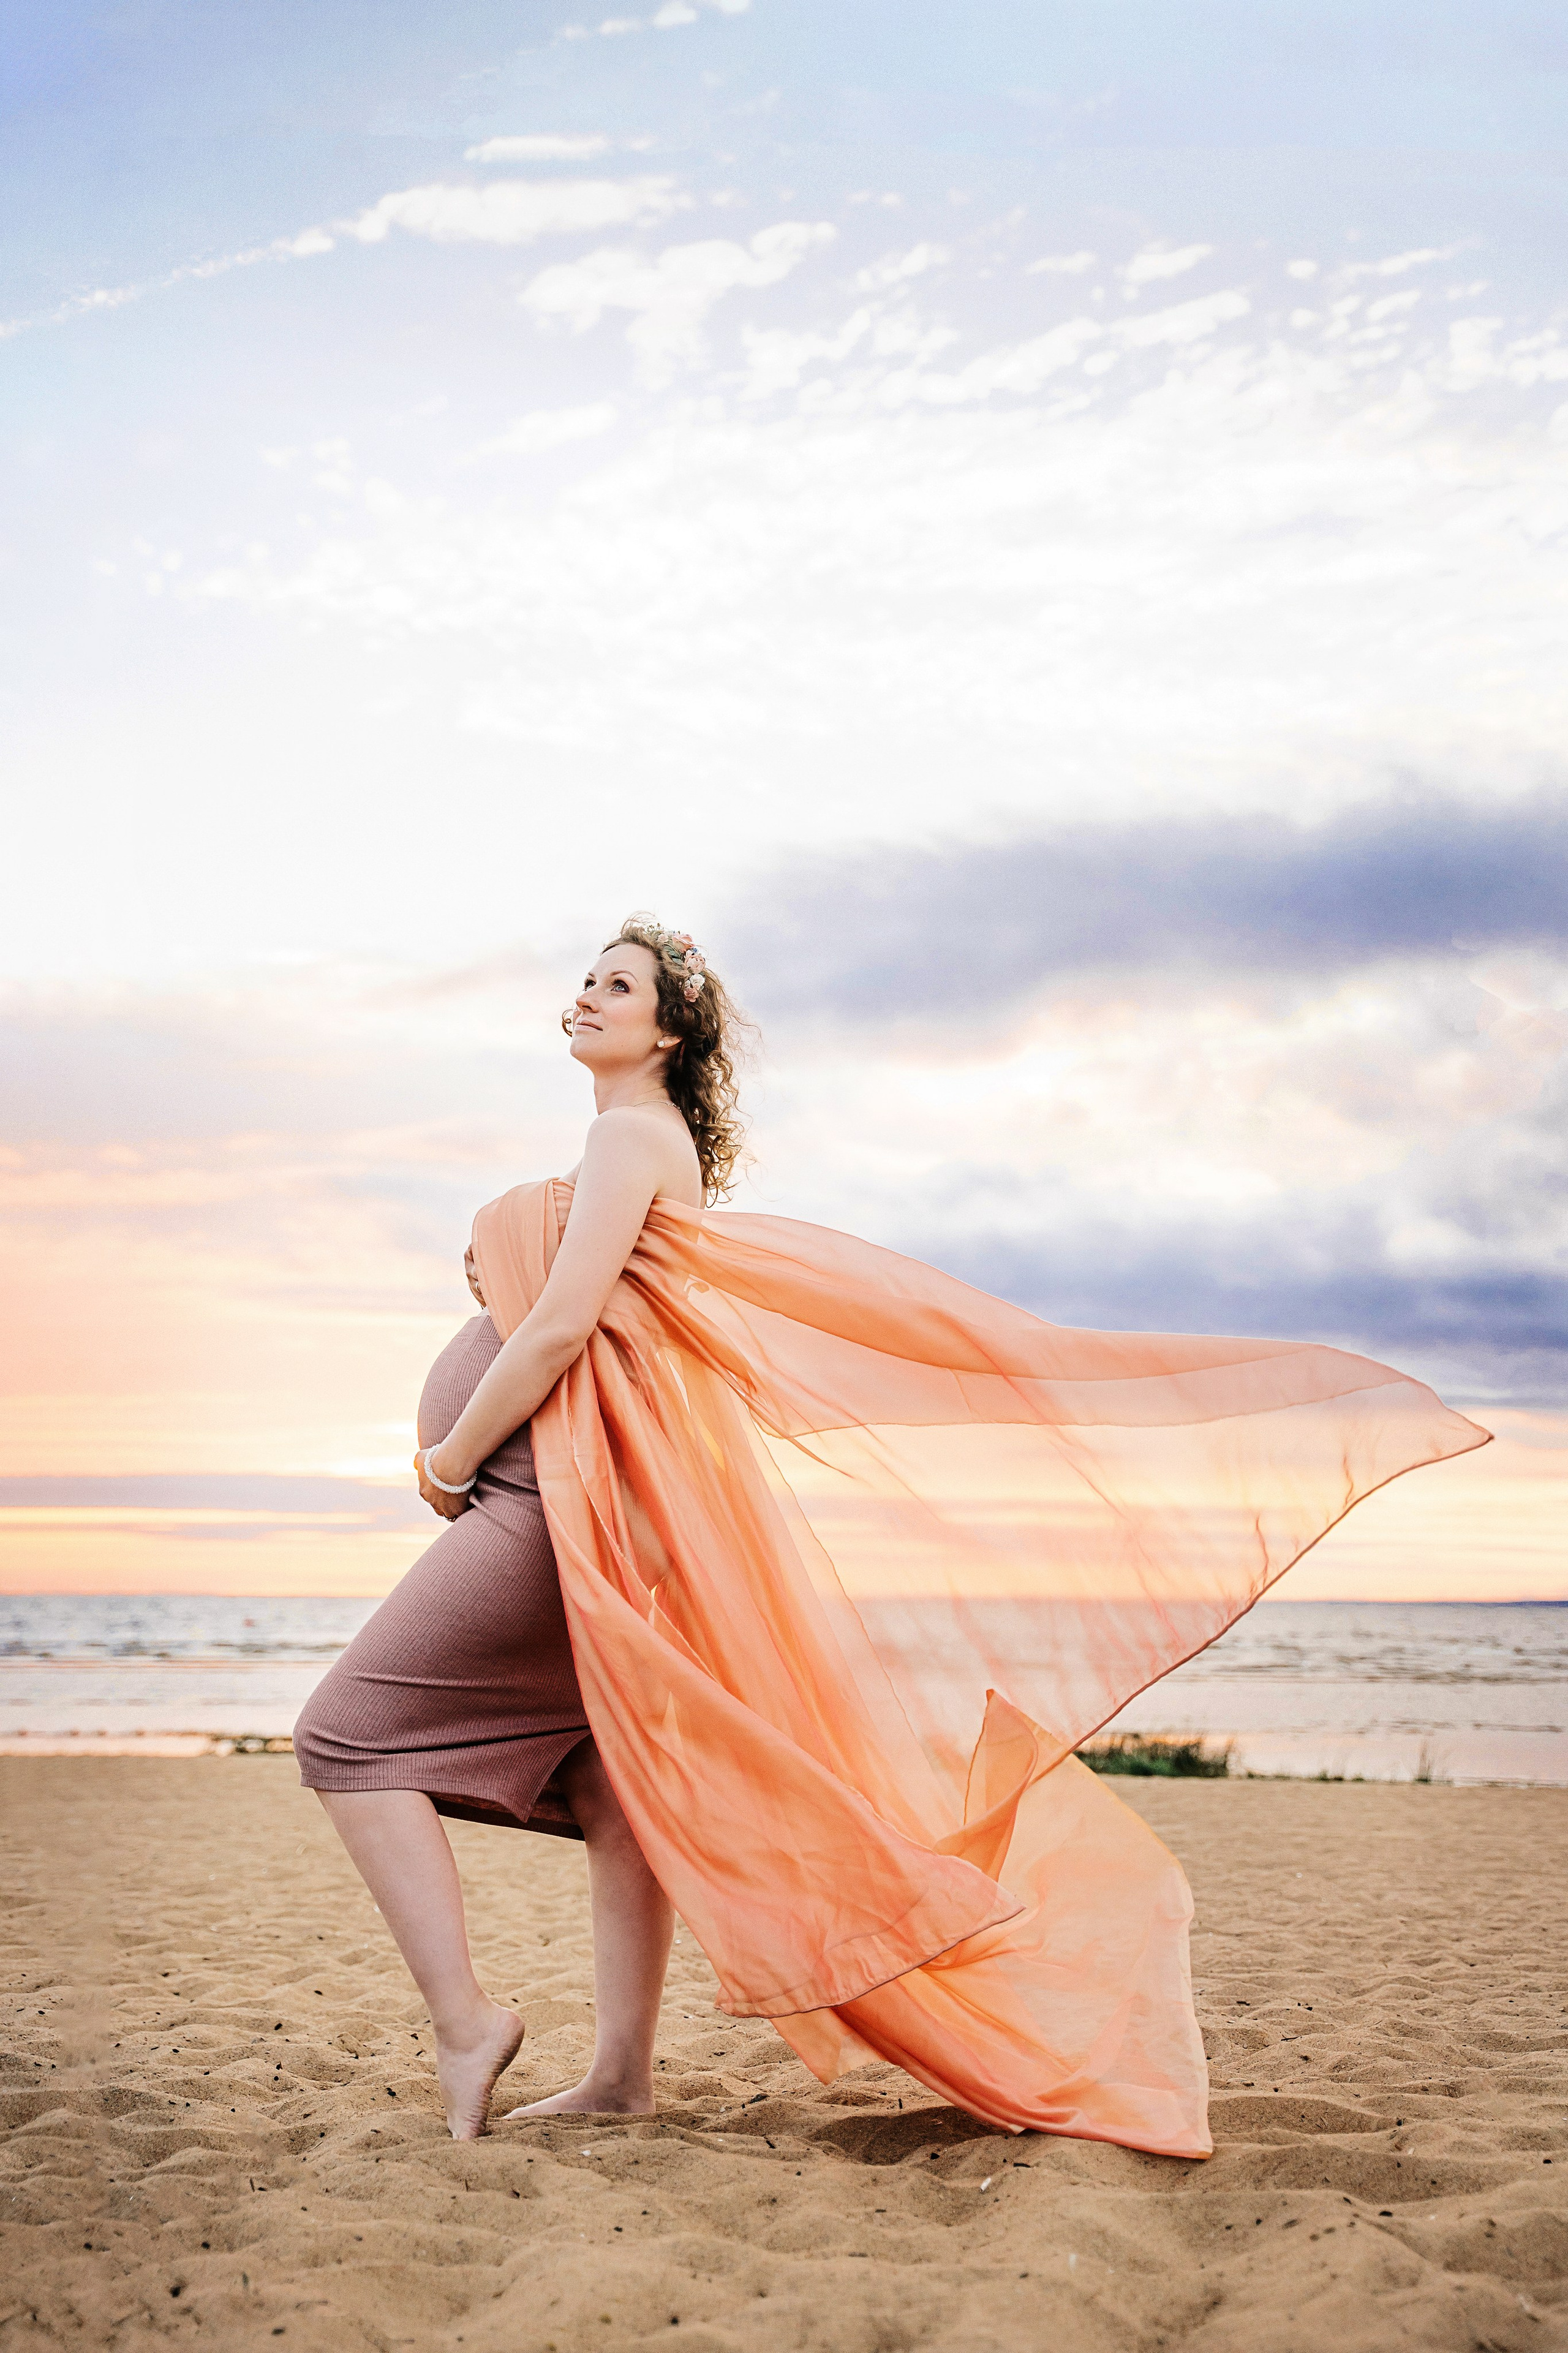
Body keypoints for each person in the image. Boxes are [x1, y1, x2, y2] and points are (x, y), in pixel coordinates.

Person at [296, 913, 1488, 2153]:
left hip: (541, 1508)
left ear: (669, 1030)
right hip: (567, 1501)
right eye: (585, 979)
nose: (587, 996)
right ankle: (619, 2072)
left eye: (618, 985)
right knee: (608, 1788)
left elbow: (554, 1336)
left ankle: (465, 2022)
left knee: (341, 1734)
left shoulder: (627, 1138)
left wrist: (443, 1461)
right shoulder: (635, 1146)